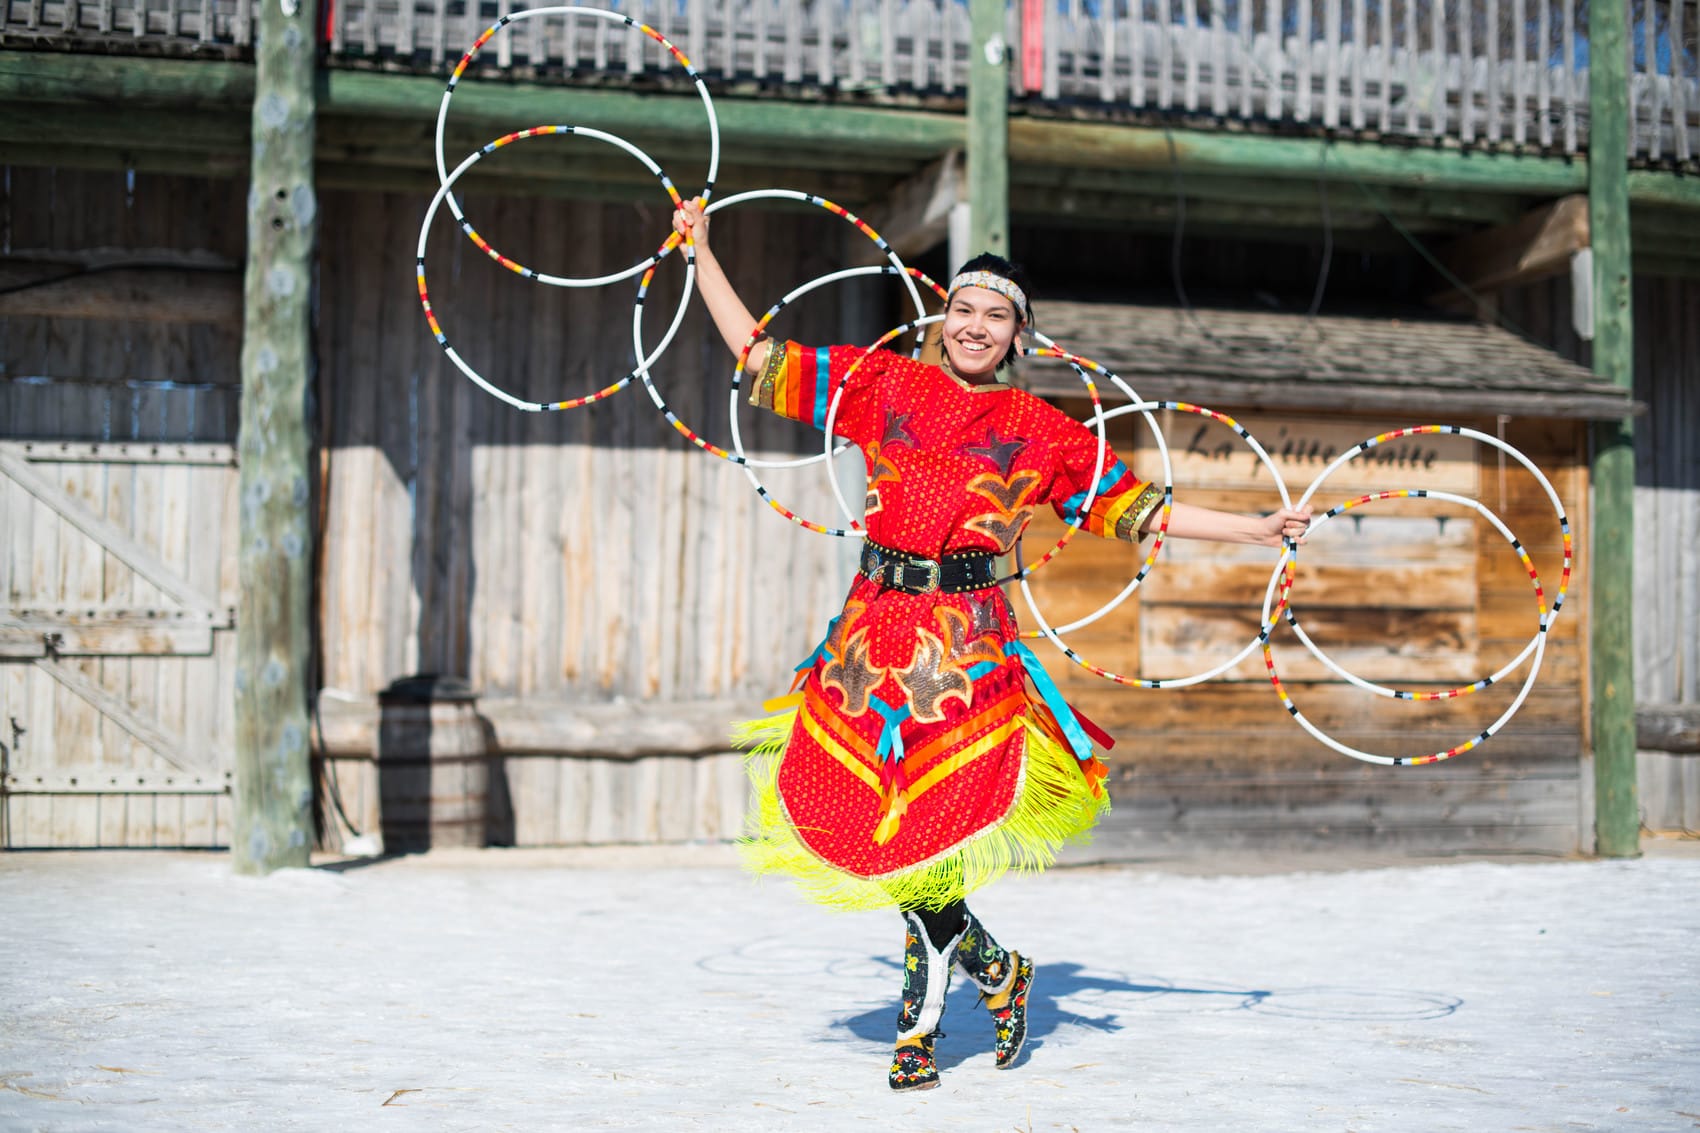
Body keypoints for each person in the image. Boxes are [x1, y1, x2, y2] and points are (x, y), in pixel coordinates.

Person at [672, 201, 1310, 1091]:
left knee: (928, 842)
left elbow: (1142, 511)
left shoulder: (1042, 430)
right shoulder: (883, 384)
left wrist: (1254, 528)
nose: (976, 327)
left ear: (1018, 336)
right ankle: (999, 970)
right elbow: (759, 354)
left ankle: (917, 1034)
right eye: (965, 309)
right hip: (868, 640)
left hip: (966, 652)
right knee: (876, 829)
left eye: (996, 316)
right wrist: (701, 251)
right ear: (943, 319)